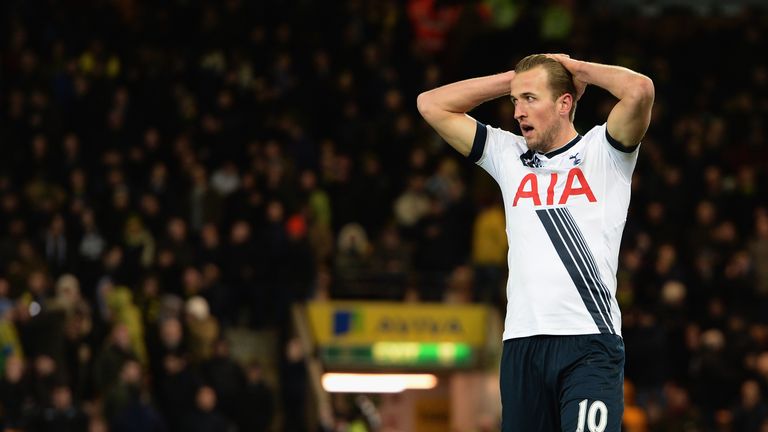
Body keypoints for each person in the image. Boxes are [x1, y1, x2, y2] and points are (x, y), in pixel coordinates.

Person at [417, 53, 654, 431]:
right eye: (515, 101)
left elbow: (640, 89)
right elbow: (430, 104)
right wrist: (513, 80)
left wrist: (575, 69)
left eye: (530, 99)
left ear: (564, 103)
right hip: (522, 345)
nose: (517, 112)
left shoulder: (604, 152)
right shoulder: (508, 155)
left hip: (589, 342)